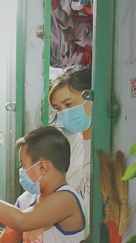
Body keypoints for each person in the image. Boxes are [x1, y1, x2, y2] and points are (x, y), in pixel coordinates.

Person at [49, 65, 91, 213]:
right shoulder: (68, 145)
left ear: (91, 97)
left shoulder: (112, 143)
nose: (64, 113)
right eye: (58, 108)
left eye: (68, 104)